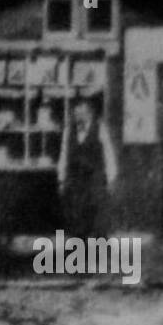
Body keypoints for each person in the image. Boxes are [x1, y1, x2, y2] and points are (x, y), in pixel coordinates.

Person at [57, 93, 117, 236]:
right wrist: (61, 179)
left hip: (95, 179)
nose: (79, 117)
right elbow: (64, 155)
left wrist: (111, 179)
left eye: (82, 113)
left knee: (97, 218)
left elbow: (109, 154)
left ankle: (98, 253)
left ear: (90, 114)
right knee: (77, 216)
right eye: (76, 113)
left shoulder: (100, 128)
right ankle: (79, 252)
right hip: (76, 179)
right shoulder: (69, 131)